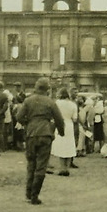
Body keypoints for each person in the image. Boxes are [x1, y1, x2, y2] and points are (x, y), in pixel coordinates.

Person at [17, 77, 65, 205]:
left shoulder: (28, 101)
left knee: (31, 164)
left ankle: (28, 193)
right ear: (47, 89)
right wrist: (61, 132)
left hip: (31, 134)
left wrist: (28, 124)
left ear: (36, 87)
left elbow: (19, 117)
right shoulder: (50, 102)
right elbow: (59, 120)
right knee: (41, 166)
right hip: (45, 134)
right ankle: (34, 195)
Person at [51, 88, 77, 176]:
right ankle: (67, 168)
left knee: (61, 145)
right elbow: (75, 118)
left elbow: (53, 115)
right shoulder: (73, 105)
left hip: (60, 124)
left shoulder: (57, 103)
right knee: (69, 145)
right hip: (69, 125)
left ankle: (62, 167)